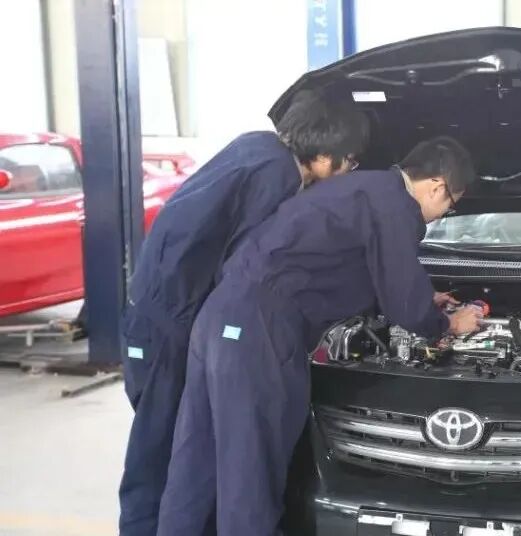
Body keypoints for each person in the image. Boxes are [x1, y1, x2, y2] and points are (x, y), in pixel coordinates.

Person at [156, 136, 484, 536]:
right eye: (450, 205)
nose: (442, 214)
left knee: (196, 460)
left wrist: (423, 297)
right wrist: (448, 324)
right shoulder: (396, 205)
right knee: (251, 468)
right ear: (437, 187)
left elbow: (358, 268)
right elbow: (404, 301)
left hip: (220, 315)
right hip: (261, 328)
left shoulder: (361, 189)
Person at [118, 90, 370, 536]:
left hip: (159, 313)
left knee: (177, 453)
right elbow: (245, 269)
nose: (348, 171)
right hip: (168, 325)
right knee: (157, 455)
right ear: (323, 154)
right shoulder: (278, 175)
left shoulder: (256, 145)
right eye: (349, 161)